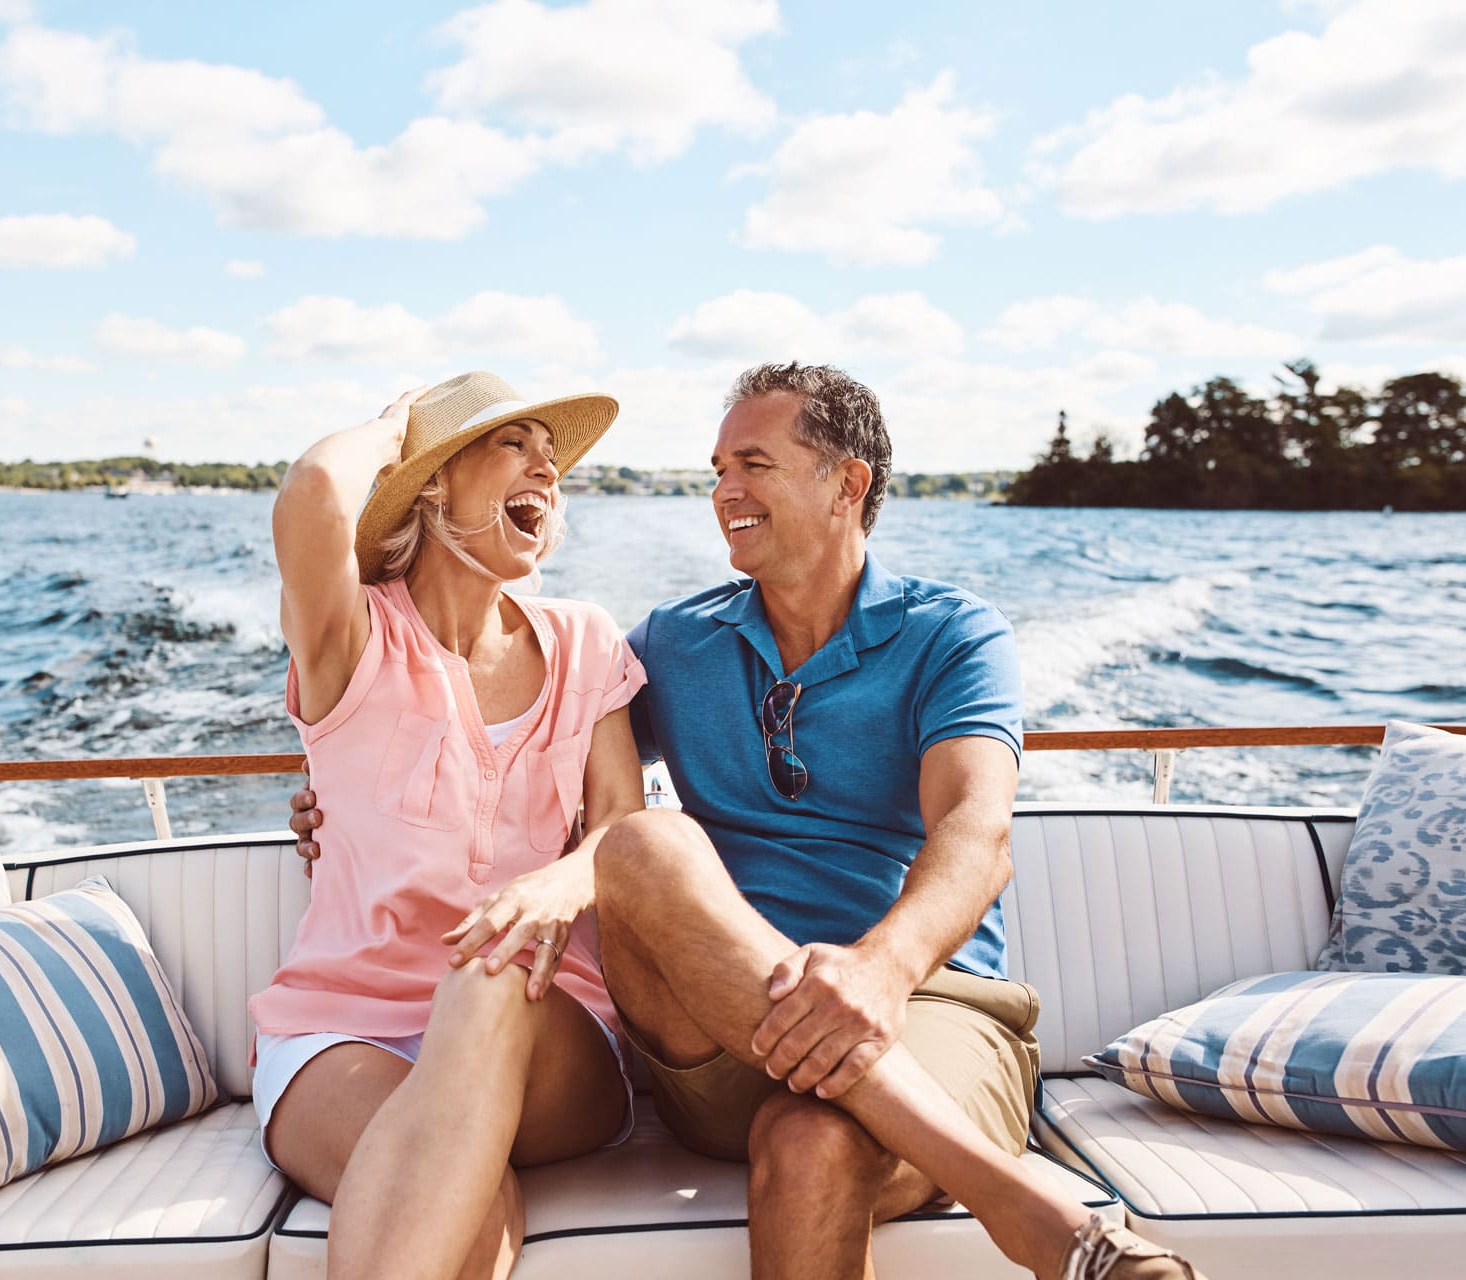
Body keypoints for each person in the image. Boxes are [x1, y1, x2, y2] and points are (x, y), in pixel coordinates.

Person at [291, 363, 1203, 1280]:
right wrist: (342, 797)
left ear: (848, 483)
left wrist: (880, 971)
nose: (724, 491)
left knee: (813, 1144)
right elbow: (524, 752)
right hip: (716, 1035)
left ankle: (1014, 1201)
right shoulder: (673, 644)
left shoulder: (954, 636)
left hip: (924, 1003)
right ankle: (1034, 1212)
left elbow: (977, 831)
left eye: (754, 464)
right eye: (717, 468)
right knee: (649, 839)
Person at [253, 370, 649, 1280]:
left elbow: (621, 826)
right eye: (516, 445)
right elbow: (315, 493)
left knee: (494, 977)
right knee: (469, 1216)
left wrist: (560, 881)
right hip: (344, 1027)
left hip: (551, 1022)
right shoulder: (352, 637)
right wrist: (398, 429)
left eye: (555, 461)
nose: (547, 473)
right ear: (432, 482)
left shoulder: (588, 641)